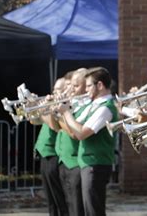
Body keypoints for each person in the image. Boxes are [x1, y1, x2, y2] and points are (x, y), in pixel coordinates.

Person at [58, 67, 118, 216]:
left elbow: (81, 133)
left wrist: (65, 112)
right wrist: (63, 109)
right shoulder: (94, 105)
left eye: (89, 86)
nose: (87, 90)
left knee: (93, 210)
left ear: (100, 85)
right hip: (88, 163)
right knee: (88, 209)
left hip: (96, 164)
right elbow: (73, 127)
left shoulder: (106, 108)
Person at [55, 68, 89, 216]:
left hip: (77, 161)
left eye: (75, 86)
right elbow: (56, 126)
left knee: (78, 208)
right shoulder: (73, 103)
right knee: (69, 206)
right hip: (65, 160)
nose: (71, 90)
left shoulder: (85, 106)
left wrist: (60, 113)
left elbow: (73, 133)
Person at [33, 77, 68, 216]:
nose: (53, 92)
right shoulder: (53, 105)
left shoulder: (63, 105)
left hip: (54, 153)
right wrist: (34, 105)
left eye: (58, 89)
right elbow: (33, 121)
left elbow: (54, 126)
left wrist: (42, 109)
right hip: (44, 152)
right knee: (51, 200)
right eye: (54, 89)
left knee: (59, 199)